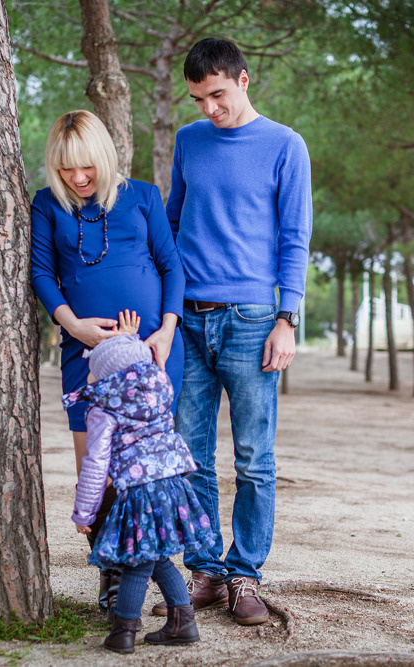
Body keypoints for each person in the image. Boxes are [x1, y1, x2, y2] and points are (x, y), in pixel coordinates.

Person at [157, 37, 312, 626]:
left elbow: (295, 239)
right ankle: (205, 571)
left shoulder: (285, 145)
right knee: (190, 454)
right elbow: (172, 222)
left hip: (252, 320)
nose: (209, 108)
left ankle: (245, 574)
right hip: (188, 319)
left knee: (253, 457)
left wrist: (287, 319)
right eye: (198, 99)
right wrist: (164, 312)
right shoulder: (189, 140)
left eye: (218, 95)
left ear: (244, 80)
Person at [30, 109, 185, 616]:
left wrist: (167, 329)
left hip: (154, 354)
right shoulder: (47, 204)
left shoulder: (143, 196)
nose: (77, 177)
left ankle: (157, 576)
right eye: (66, 167)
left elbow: (171, 265)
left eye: (87, 166)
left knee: (146, 468)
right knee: (95, 464)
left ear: (103, 156)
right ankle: (113, 574)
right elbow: (42, 273)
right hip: (85, 355)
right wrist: (74, 326)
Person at [63, 333, 216, 653]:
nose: (90, 376)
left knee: (135, 563)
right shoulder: (159, 393)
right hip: (173, 489)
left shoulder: (104, 410)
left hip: (140, 496)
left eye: (94, 369)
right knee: (157, 557)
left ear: (109, 374)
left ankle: (124, 632)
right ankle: (183, 623)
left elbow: (96, 463)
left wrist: (85, 512)